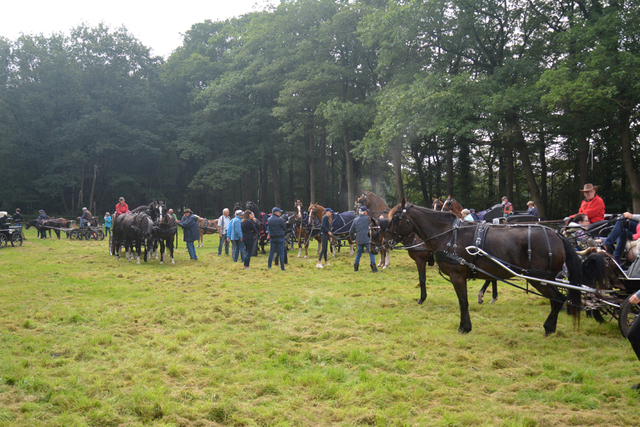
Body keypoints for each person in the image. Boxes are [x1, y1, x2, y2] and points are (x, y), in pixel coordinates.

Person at [349, 206, 377, 272]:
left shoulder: (355, 220)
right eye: (366, 211)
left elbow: (351, 231)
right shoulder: (368, 219)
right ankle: (373, 268)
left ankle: (356, 267)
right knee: (371, 253)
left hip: (359, 240)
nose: (367, 212)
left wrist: (353, 239)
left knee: (358, 254)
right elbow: (375, 223)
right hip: (367, 239)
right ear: (364, 212)